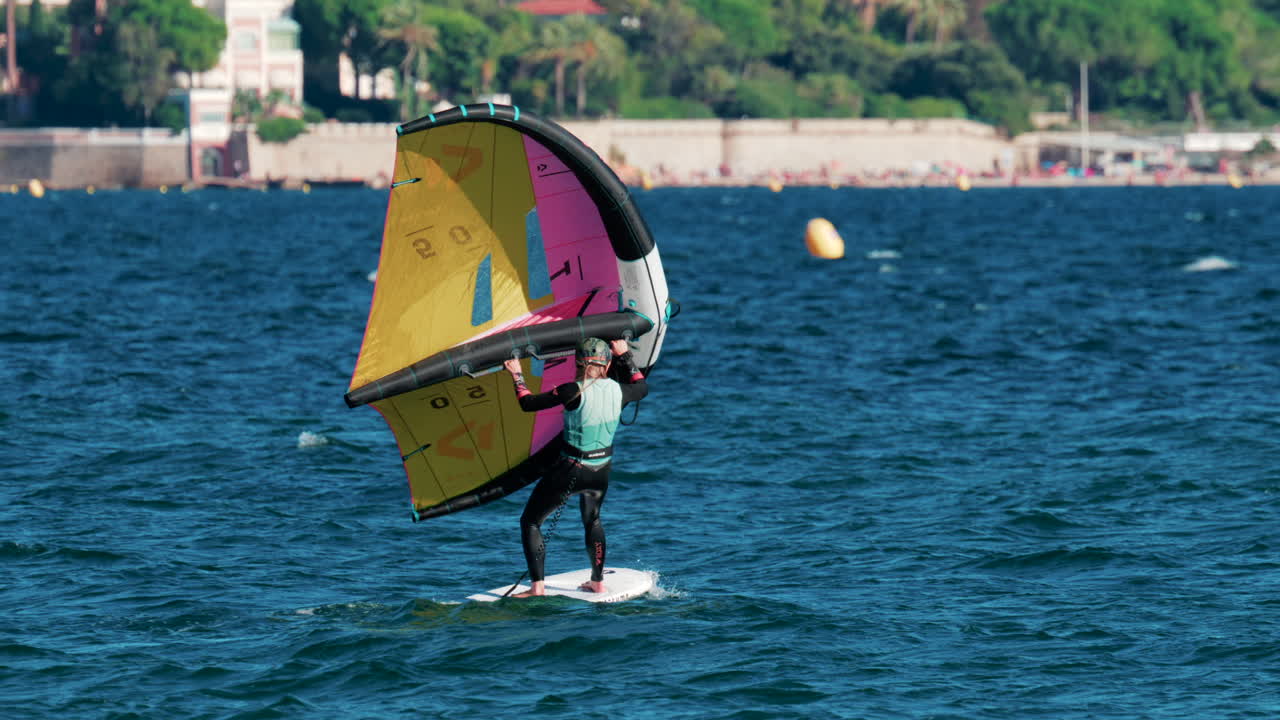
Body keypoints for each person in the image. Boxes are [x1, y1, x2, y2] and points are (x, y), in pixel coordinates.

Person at [502, 337, 648, 597]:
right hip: (600, 470)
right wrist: (626, 355)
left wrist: (517, 375)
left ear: (578, 362)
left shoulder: (572, 390)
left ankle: (537, 588)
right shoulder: (620, 390)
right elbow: (642, 386)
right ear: (607, 362)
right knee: (592, 520)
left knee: (531, 522)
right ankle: (598, 582)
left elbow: (528, 403)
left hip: (569, 470)